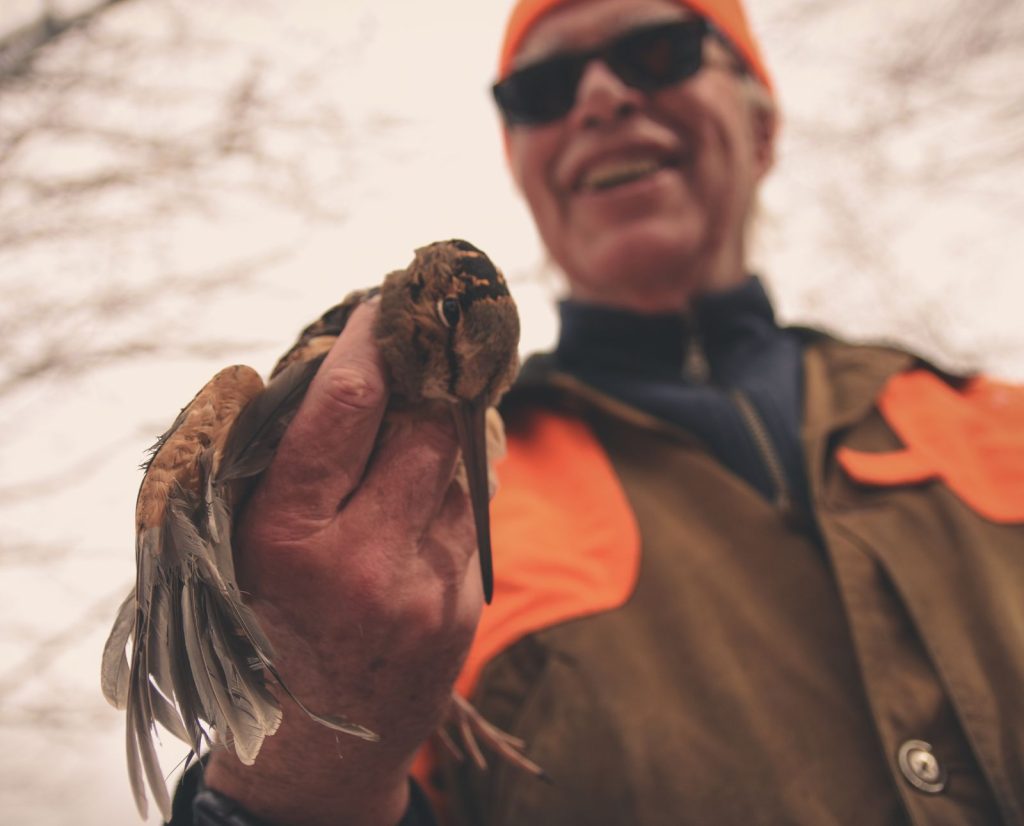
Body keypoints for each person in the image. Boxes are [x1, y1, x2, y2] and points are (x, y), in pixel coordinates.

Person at [172, 0, 1024, 823]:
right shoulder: (409, 501)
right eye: (542, 92)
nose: (601, 98)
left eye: (659, 52)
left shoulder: (1002, 423)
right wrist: (301, 777)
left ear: (763, 124)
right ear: (525, 168)